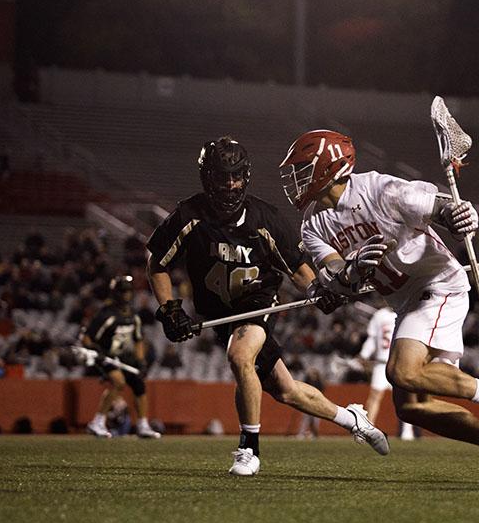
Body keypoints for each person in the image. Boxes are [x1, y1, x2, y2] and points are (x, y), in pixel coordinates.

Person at [280, 129, 479, 485]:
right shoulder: (312, 224)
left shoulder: (380, 190)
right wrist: (350, 271)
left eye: (305, 168)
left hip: (438, 285)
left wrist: (459, 216)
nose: (297, 178)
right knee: (413, 407)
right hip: (407, 300)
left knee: (401, 371)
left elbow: (439, 206)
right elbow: (335, 271)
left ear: (331, 167)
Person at [146, 136, 389, 476]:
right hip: (218, 313)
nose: (230, 185)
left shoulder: (265, 218)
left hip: (257, 302)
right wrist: (169, 308)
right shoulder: (189, 215)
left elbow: (299, 268)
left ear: (246, 176)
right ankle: (353, 419)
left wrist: (321, 290)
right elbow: (157, 263)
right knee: (286, 391)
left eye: (236, 176)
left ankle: (249, 449)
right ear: (207, 178)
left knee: (240, 356)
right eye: (222, 177)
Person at [81, 275, 161, 439]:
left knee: (139, 385)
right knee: (118, 382)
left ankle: (142, 425)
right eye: (123, 292)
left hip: (124, 356)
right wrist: (95, 349)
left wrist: (140, 361)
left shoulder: (133, 315)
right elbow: (87, 337)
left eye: (128, 292)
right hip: (106, 356)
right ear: (115, 293)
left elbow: (138, 341)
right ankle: (97, 422)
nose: (126, 295)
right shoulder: (105, 315)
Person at [359, 305, 415, 440]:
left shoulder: (403, 311)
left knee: (406, 398)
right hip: (382, 362)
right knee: (375, 396)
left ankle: (407, 431)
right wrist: (364, 354)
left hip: (399, 362)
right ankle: (368, 428)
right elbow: (373, 338)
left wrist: (364, 354)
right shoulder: (381, 315)